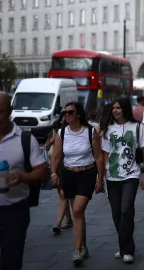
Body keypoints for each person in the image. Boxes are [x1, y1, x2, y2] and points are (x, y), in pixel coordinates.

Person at [51, 102, 105, 265]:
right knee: (78, 214)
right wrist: (54, 173)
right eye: (65, 112)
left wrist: (100, 179)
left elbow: (99, 157)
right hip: (69, 174)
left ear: (78, 114)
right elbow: (56, 156)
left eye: (70, 112)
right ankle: (83, 246)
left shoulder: (90, 132)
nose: (66, 115)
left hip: (87, 173)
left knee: (77, 209)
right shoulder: (62, 133)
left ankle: (77, 251)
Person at [0, 92, 50, 270]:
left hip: (14, 211)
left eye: (0, 111)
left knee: (11, 262)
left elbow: (43, 172)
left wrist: (23, 177)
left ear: (10, 112)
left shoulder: (25, 140)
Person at [99, 97, 144, 263]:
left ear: (125, 109)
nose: (115, 110)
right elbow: (105, 154)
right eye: (113, 108)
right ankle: (124, 244)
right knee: (116, 213)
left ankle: (127, 249)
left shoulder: (137, 127)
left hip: (131, 174)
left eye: (118, 108)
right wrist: (101, 177)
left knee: (126, 209)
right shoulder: (108, 129)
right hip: (112, 176)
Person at [45, 118, 73, 235]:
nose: (63, 122)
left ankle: (58, 223)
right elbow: (45, 148)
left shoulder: (71, 134)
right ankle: (69, 219)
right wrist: (50, 142)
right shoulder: (53, 133)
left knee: (63, 194)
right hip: (56, 167)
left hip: (67, 167)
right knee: (62, 195)